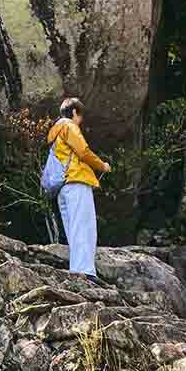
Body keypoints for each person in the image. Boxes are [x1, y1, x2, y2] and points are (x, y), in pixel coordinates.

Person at [41, 95, 110, 276]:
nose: (80, 122)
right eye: (80, 117)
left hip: (62, 186)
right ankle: (85, 272)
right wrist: (102, 165)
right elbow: (83, 151)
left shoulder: (54, 132)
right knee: (84, 227)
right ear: (73, 112)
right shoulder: (69, 126)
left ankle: (77, 269)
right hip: (76, 181)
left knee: (73, 229)